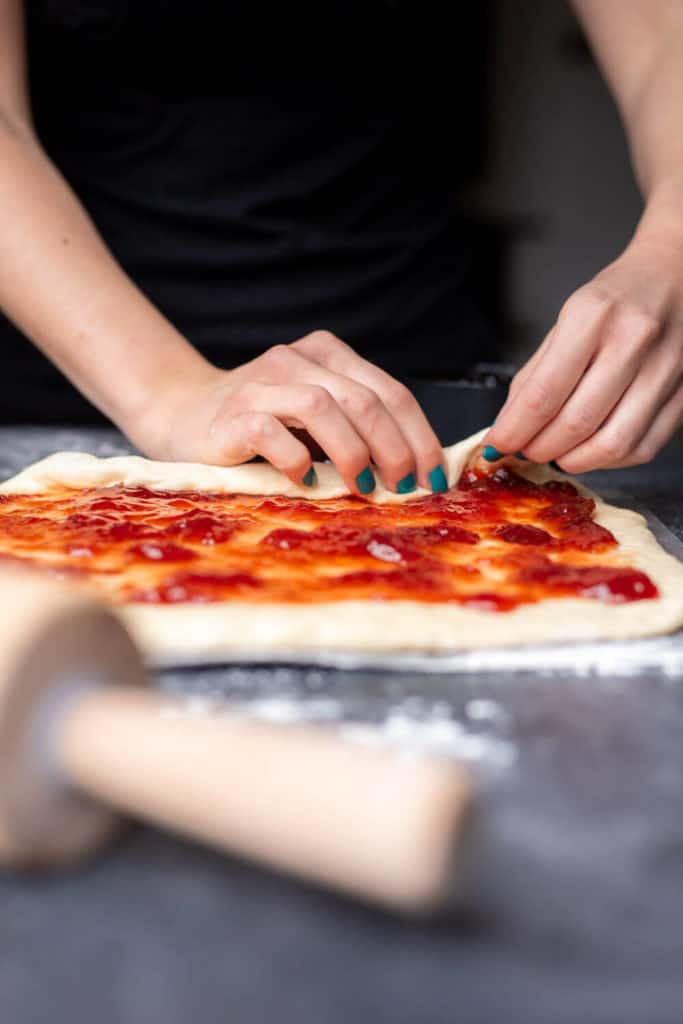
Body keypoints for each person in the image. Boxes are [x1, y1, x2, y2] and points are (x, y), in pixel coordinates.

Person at [0, 2, 681, 499]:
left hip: (414, 408)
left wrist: (671, 248)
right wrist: (166, 394)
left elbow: (661, 44)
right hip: (75, 387)